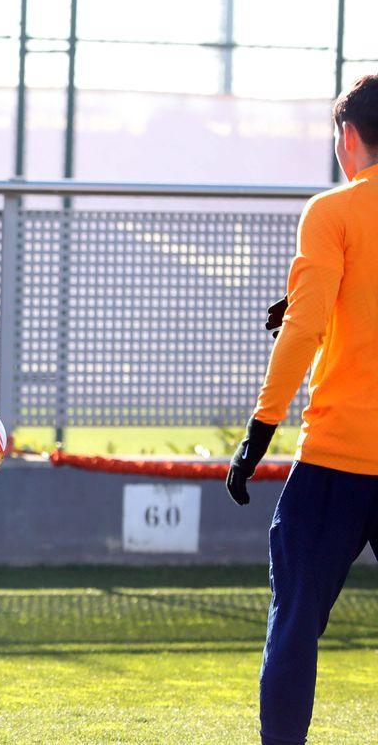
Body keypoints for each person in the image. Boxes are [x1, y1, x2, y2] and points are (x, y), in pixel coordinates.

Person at [226, 73, 378, 745]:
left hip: (338, 461)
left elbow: (306, 330)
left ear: (348, 137)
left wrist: (260, 430)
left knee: (296, 623)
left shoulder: (334, 212)